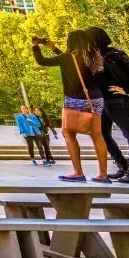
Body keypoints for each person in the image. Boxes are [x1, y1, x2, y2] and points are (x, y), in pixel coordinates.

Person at [34, 31, 111, 183]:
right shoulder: (94, 56)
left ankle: (78, 172)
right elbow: (74, 65)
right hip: (95, 98)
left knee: (68, 133)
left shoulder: (67, 57)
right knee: (97, 135)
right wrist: (54, 48)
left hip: (74, 98)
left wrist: (35, 46)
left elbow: (42, 61)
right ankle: (103, 174)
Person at [89, 28, 129, 183]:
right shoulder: (94, 58)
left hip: (117, 100)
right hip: (103, 102)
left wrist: (127, 89)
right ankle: (122, 164)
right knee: (100, 133)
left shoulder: (114, 55)